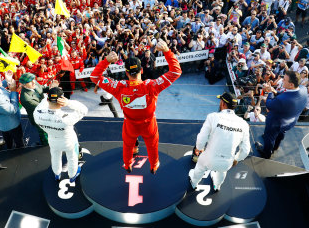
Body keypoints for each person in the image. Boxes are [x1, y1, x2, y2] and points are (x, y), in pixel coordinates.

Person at [90, 39, 182, 174]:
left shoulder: (118, 87)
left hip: (130, 125)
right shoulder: (152, 86)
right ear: (142, 70)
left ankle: (127, 165)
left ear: (126, 73)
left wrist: (106, 61)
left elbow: (94, 76)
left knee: (128, 146)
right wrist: (167, 51)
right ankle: (154, 165)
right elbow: (176, 72)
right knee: (152, 146)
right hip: (149, 125)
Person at [189, 93, 250, 191]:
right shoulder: (244, 124)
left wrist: (199, 148)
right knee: (222, 171)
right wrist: (236, 159)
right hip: (227, 163)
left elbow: (201, 138)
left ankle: (194, 183)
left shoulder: (212, 117)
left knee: (200, 166)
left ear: (222, 103)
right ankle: (217, 186)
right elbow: (246, 150)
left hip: (209, 159)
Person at [34, 87, 88, 182]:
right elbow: (84, 110)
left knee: (55, 157)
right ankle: (72, 175)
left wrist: (49, 94)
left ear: (47, 99)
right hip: (69, 142)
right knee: (72, 158)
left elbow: (43, 103)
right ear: (62, 100)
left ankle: (57, 174)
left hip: (53, 140)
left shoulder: (37, 114)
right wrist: (69, 103)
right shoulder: (67, 118)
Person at [255, 71, 308, 159]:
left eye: (284, 80)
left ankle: (267, 153)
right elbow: (285, 96)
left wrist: (270, 92)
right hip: (290, 122)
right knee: (281, 133)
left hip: (276, 123)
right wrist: (274, 91)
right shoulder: (303, 89)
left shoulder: (282, 100)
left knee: (269, 137)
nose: (282, 80)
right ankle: (276, 146)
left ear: (291, 84)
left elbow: (269, 104)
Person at [19, 73, 51, 146]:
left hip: (45, 113)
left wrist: (51, 88)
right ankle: (46, 145)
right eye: (30, 81)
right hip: (39, 118)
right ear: (24, 85)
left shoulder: (33, 82)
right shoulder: (26, 98)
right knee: (43, 132)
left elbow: (42, 88)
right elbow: (41, 109)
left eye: (33, 79)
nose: (34, 82)